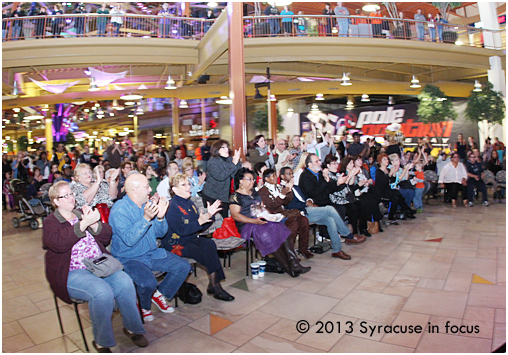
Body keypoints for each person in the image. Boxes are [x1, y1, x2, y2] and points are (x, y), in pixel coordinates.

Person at [43, 181, 148, 352]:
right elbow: (58, 244)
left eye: (71, 193)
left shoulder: (80, 213)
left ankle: (132, 328)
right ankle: (102, 341)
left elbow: (106, 236)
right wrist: (83, 225)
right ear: (56, 201)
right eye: (65, 195)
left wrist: (94, 224)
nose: (71, 197)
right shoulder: (51, 222)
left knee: (124, 282)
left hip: (98, 264)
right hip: (72, 272)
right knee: (101, 292)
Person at [109, 173, 190, 322]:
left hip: (151, 252)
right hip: (130, 257)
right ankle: (145, 306)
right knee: (148, 283)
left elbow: (160, 233)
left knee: (184, 266)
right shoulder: (119, 210)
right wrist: (146, 218)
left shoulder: (147, 204)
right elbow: (129, 240)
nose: (150, 190)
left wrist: (160, 217)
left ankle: (159, 294)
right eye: (146, 187)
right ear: (135, 190)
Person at [162, 173, 234, 301]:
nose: (188, 187)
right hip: (176, 244)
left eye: (188, 184)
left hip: (189, 239)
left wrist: (209, 216)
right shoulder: (172, 206)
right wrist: (201, 221)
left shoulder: (189, 203)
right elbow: (181, 230)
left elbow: (198, 228)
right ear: (174, 189)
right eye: (183, 185)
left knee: (209, 244)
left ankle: (214, 284)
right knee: (206, 251)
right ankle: (215, 286)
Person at [230, 168, 310, 277]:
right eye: (249, 179)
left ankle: (294, 263)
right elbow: (236, 215)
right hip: (247, 225)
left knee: (282, 230)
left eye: (253, 179)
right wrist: (255, 221)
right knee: (268, 236)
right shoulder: (235, 196)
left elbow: (262, 207)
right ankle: (288, 268)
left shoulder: (255, 192)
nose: (252, 182)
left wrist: (270, 216)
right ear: (240, 181)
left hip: (260, 220)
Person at [298, 153, 367, 246]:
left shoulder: (319, 173)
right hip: (314, 203)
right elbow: (313, 193)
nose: (319, 163)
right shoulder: (305, 176)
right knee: (338, 209)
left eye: (319, 160)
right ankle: (342, 235)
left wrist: (337, 183)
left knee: (343, 208)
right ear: (310, 164)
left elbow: (329, 189)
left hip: (325, 200)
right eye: (317, 161)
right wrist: (326, 181)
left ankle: (338, 235)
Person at [258, 169, 313, 259]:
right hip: (274, 216)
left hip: (284, 213)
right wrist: (282, 195)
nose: (276, 178)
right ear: (267, 179)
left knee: (304, 220)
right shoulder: (262, 191)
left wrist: (288, 191)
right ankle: (290, 255)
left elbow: (287, 202)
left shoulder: (278, 187)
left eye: (276, 175)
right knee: (293, 224)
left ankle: (304, 249)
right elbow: (272, 206)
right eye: (273, 176)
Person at [202, 139, 241, 219]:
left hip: (225, 196)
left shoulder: (229, 159)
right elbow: (221, 177)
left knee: (225, 220)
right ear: (216, 150)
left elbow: (236, 173)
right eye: (223, 147)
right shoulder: (213, 162)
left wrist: (237, 162)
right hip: (212, 196)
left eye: (227, 147)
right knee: (214, 221)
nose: (227, 149)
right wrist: (233, 163)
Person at [374, 153, 416, 224]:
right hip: (381, 191)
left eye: (387, 159)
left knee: (395, 197)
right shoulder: (379, 172)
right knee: (396, 194)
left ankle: (393, 216)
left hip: (388, 189)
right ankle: (406, 210)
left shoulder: (388, 169)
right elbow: (383, 183)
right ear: (380, 162)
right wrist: (390, 174)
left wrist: (392, 174)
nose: (386, 161)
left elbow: (392, 181)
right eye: (384, 159)